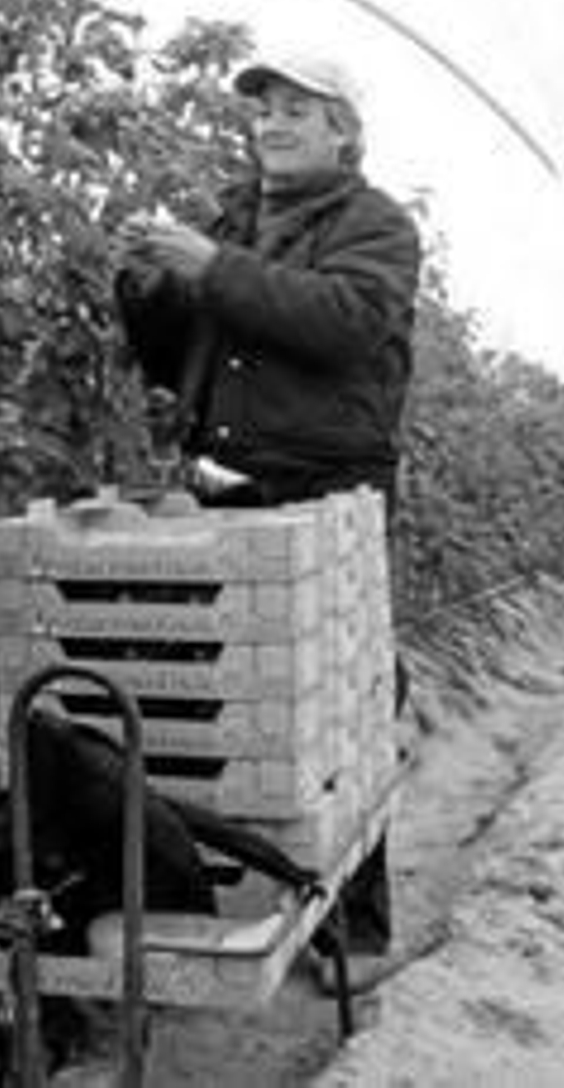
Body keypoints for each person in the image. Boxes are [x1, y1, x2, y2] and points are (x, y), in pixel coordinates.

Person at [111, 52, 421, 988]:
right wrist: (151, 288)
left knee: (341, 698)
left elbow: (345, 324)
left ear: (343, 132)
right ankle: (227, 900)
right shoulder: (232, 220)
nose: (272, 125)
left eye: (297, 110)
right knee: (216, 691)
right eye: (264, 112)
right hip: (220, 484)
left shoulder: (377, 225)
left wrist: (215, 268)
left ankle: (356, 931)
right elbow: (176, 358)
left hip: (326, 489)